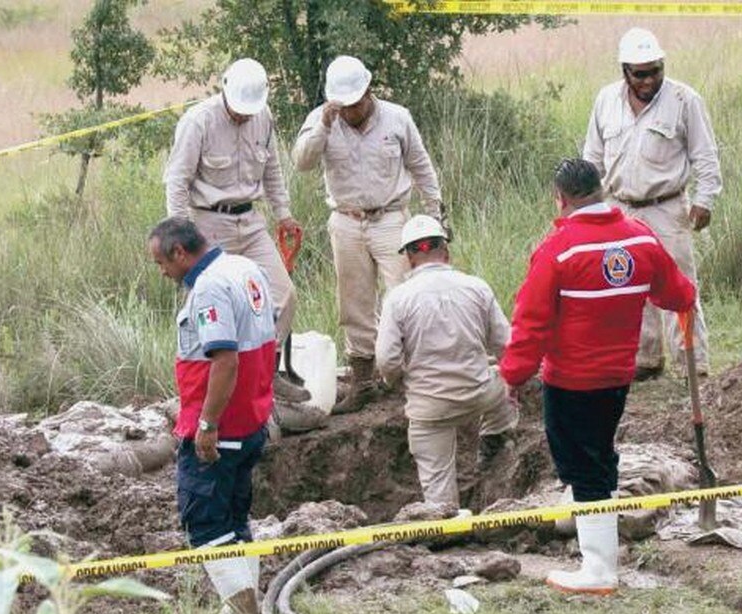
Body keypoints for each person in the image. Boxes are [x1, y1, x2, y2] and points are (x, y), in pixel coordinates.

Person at [500, 159, 696, 595]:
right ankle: (595, 535)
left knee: (583, 467)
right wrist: (685, 298)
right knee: (599, 457)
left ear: (561, 199)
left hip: (571, 380)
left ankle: (600, 569)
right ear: (601, 189)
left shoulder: (558, 250)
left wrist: (512, 374)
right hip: (618, 377)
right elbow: (677, 292)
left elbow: (531, 324)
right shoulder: (640, 238)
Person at [292, 55, 445, 415]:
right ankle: (362, 381)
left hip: (391, 216)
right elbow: (302, 162)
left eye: (356, 104)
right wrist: (323, 126)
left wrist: (436, 213)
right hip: (346, 218)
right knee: (354, 301)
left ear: (368, 91)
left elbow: (421, 165)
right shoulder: (321, 120)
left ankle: (412, 376)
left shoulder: (397, 117)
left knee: (403, 294)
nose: (350, 111)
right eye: (343, 105)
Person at [147, 217, 276, 614]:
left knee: (203, 519)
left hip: (223, 426)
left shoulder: (208, 288)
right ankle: (245, 610)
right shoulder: (245, 267)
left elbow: (225, 360)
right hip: (251, 417)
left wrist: (207, 424)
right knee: (233, 519)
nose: (162, 272)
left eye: (161, 263)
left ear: (179, 252)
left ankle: (242, 612)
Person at [582, 27, 721, 380]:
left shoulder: (685, 100)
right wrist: (587, 207)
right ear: (625, 72)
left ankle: (692, 363)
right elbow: (593, 158)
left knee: (680, 286)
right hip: (620, 207)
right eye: (640, 74)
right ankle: (645, 357)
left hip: (667, 207)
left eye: (656, 70)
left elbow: (706, 156)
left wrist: (704, 200)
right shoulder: (605, 100)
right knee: (626, 281)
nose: (649, 80)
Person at [164, 57, 305, 396]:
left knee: (282, 295)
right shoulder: (198, 121)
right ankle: (212, 386)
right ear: (224, 89)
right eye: (238, 110)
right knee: (215, 307)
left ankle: (266, 374)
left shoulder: (264, 117)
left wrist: (283, 213)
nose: (243, 116)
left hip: (250, 222)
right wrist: (180, 232)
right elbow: (177, 180)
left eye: (248, 111)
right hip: (208, 225)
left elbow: (272, 170)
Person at [375, 215, 517, 509]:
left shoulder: (397, 299)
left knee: (438, 496)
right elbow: (506, 346)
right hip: (479, 394)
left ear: (409, 259)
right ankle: (495, 436)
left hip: (430, 410)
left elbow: (387, 361)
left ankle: (446, 520)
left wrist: (398, 382)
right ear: (446, 251)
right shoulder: (476, 287)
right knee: (504, 382)